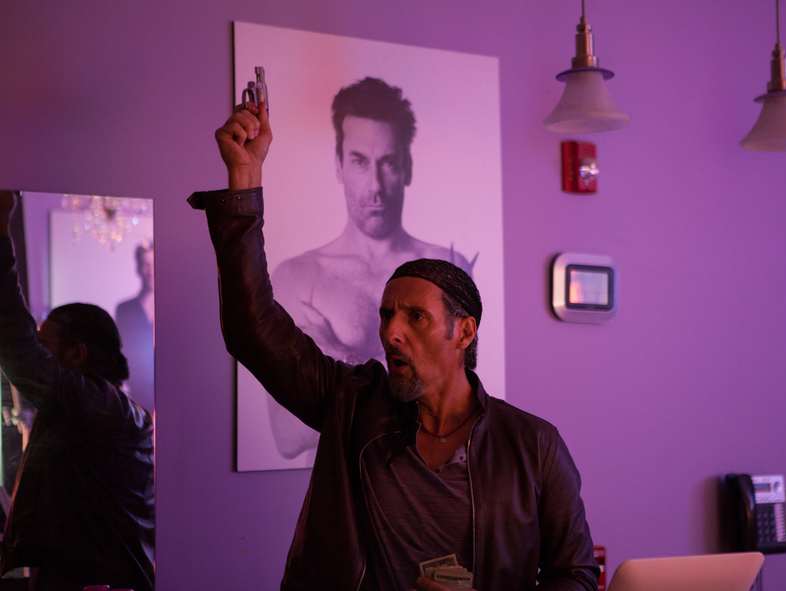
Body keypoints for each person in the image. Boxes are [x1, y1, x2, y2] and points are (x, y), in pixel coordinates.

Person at [188, 93, 599, 590]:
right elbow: (251, 328)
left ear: (464, 331)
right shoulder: (352, 406)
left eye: (415, 317)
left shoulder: (533, 446)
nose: (391, 332)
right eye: (387, 315)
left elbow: (574, 576)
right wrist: (244, 178)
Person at [267, 77, 475, 461]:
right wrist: (412, 375)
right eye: (360, 162)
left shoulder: (450, 268)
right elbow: (288, 435)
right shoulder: (296, 278)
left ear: (407, 167)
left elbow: (455, 407)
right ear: (339, 166)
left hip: (430, 483)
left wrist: (338, 356)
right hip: (344, 487)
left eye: (388, 163)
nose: (375, 186)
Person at [0, 191, 155, 591]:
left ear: (77, 353)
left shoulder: (100, 404)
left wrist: (1, 230)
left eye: (45, 346)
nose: (40, 355)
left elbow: (18, 349)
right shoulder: (99, 405)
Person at [115, 241, 155, 413]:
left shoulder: (172, 305)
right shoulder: (125, 309)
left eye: (153, 264)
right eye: (146, 264)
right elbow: (121, 350)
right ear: (138, 268)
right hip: (138, 392)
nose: (150, 271)